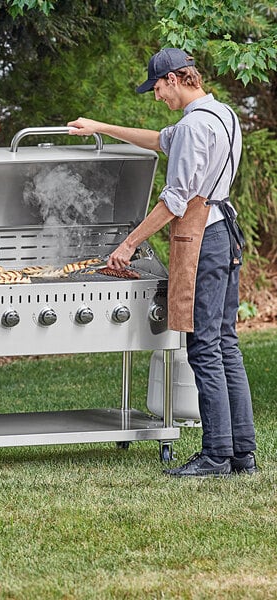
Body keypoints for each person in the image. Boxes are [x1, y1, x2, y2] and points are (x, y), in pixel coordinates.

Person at [67, 48, 258, 477]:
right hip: (225, 231)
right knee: (225, 343)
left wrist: (129, 244)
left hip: (204, 236)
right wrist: (99, 127)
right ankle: (241, 453)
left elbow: (175, 198)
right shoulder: (222, 114)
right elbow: (158, 139)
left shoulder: (193, 127)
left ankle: (215, 454)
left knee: (204, 347)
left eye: (157, 88)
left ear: (175, 79)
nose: (157, 97)